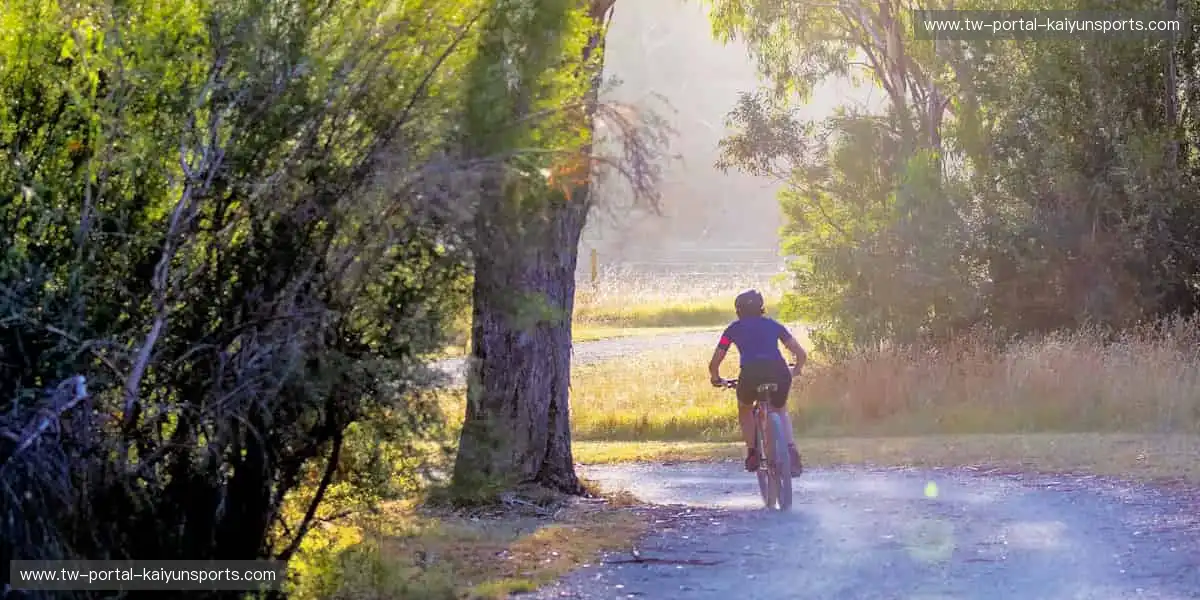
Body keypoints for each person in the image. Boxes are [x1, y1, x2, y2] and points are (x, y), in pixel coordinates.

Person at [708, 289, 807, 476]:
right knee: (779, 408)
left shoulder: (732, 329)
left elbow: (715, 361)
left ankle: (753, 452)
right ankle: (791, 450)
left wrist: (716, 377)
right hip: (779, 371)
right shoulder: (774, 325)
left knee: (745, 408)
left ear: (738, 310)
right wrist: (797, 369)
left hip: (751, 373)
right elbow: (800, 353)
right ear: (761, 308)